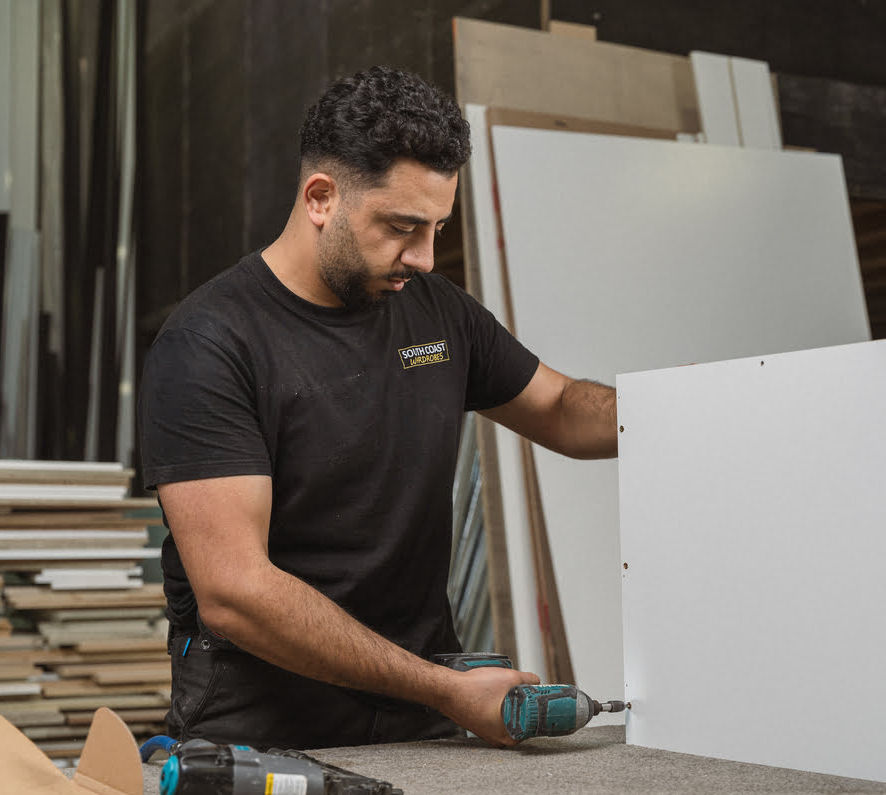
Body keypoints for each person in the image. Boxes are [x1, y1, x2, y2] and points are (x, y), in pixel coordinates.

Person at [138, 65, 616, 751]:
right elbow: (235, 592)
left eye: (437, 228)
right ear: (322, 198)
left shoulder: (436, 312)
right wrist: (446, 689)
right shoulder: (210, 343)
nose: (424, 257)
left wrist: (675, 416)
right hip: (265, 735)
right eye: (402, 227)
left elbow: (565, 409)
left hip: (420, 715)